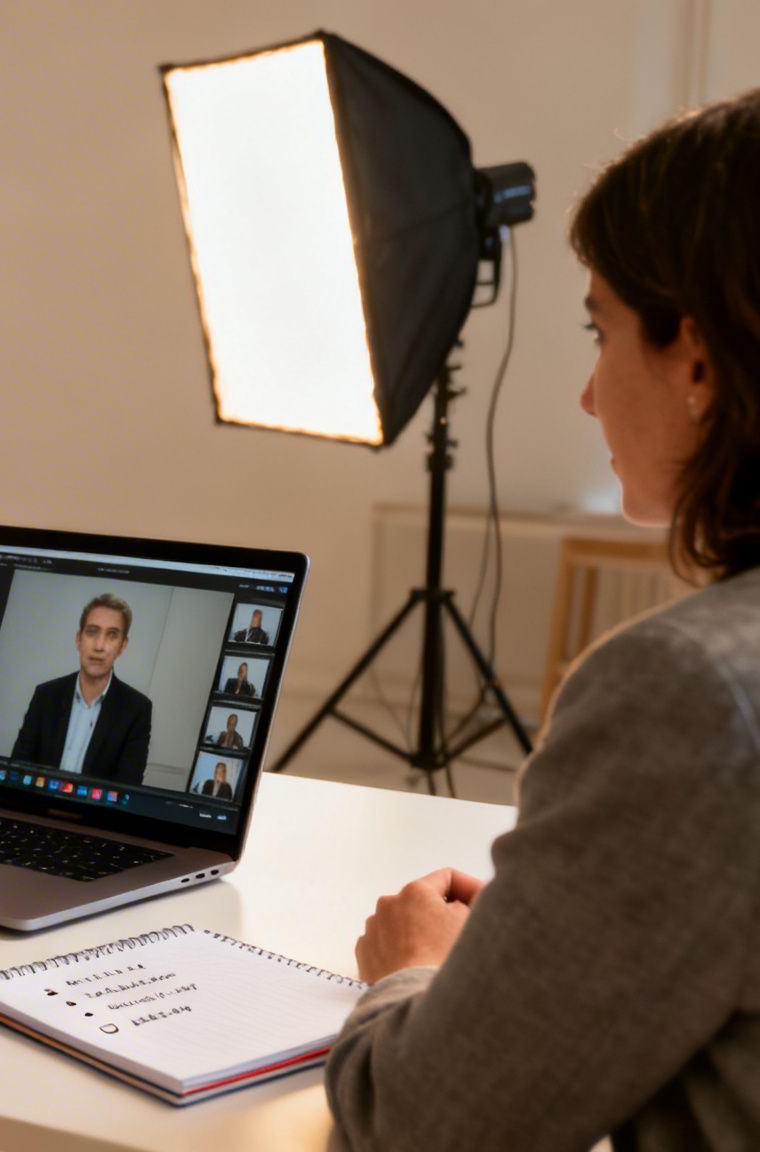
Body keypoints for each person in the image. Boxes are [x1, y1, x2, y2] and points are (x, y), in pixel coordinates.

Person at [326, 89, 760, 1151]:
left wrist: (412, 972)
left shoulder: (686, 688)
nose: (584, 395)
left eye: (597, 328)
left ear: (695, 360)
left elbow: (420, 1128)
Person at [9, 593, 153, 783]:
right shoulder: (46, 695)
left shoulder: (137, 709)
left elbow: (127, 788)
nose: (99, 646)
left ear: (122, 646)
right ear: (79, 639)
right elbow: (18, 768)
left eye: (112, 635)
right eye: (92, 632)